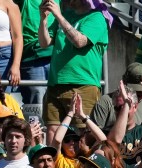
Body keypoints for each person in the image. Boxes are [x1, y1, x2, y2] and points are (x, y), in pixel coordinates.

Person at [39, 0, 110, 145]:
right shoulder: (66, 14)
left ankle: (85, 167)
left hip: (83, 83)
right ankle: (54, 166)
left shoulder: (97, 17)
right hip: (56, 82)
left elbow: (79, 41)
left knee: (83, 134)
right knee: (52, 130)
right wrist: (43, 20)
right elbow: (44, 43)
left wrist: (58, 16)